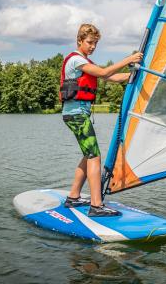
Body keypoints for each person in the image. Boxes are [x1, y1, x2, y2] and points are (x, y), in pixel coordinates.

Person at [60, 23, 143, 217]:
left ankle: (73, 197)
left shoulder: (85, 62)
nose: (93, 47)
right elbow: (105, 73)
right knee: (94, 156)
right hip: (77, 115)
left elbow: (112, 78)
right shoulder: (75, 61)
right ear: (79, 40)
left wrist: (134, 75)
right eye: (89, 42)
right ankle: (96, 206)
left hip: (78, 114)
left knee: (88, 155)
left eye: (95, 43)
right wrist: (129, 59)